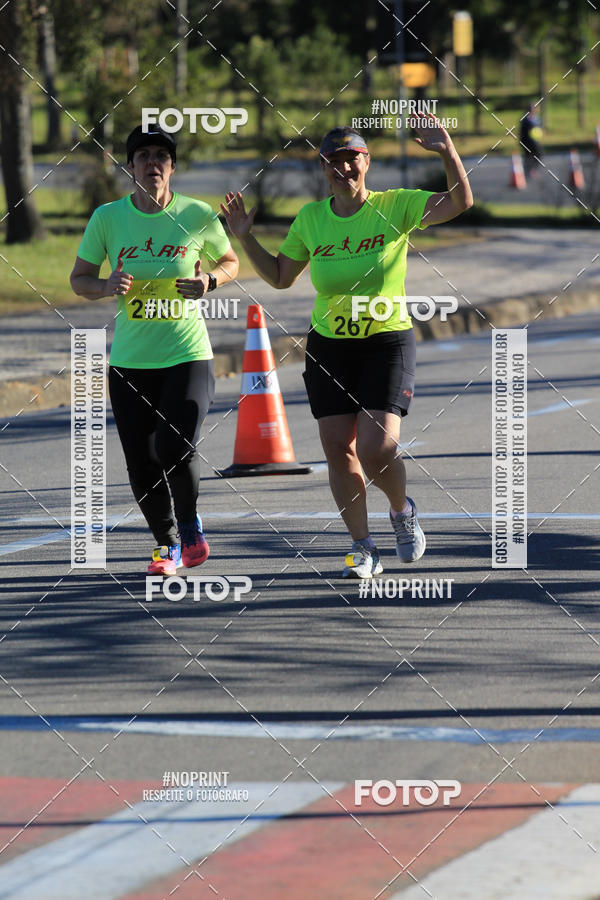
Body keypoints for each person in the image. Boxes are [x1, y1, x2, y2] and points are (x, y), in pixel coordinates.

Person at [222, 121, 472, 578]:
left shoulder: (395, 206)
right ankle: (362, 547)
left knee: (377, 448)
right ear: (324, 169)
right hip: (330, 347)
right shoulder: (311, 219)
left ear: (366, 161)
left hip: (386, 342)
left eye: (351, 157)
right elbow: (280, 276)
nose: (343, 167)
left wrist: (447, 153)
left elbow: (459, 202)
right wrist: (244, 236)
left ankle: (401, 510)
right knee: (339, 450)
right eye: (333, 161)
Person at [70, 124, 239, 575]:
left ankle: (188, 529)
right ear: (131, 167)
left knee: (174, 445)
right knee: (141, 462)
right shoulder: (107, 218)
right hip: (129, 362)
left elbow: (230, 261)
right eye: (142, 156)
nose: (152, 164)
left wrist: (209, 281)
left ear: (173, 167)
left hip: (187, 354)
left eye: (160, 157)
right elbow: (79, 279)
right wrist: (104, 286)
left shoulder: (198, 214)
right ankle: (166, 545)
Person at [519, 104, 543, 178]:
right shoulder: (525, 119)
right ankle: (528, 171)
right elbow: (522, 132)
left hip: (535, 141)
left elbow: (539, 128)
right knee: (528, 157)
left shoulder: (537, 118)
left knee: (538, 154)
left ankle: (533, 170)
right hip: (526, 141)